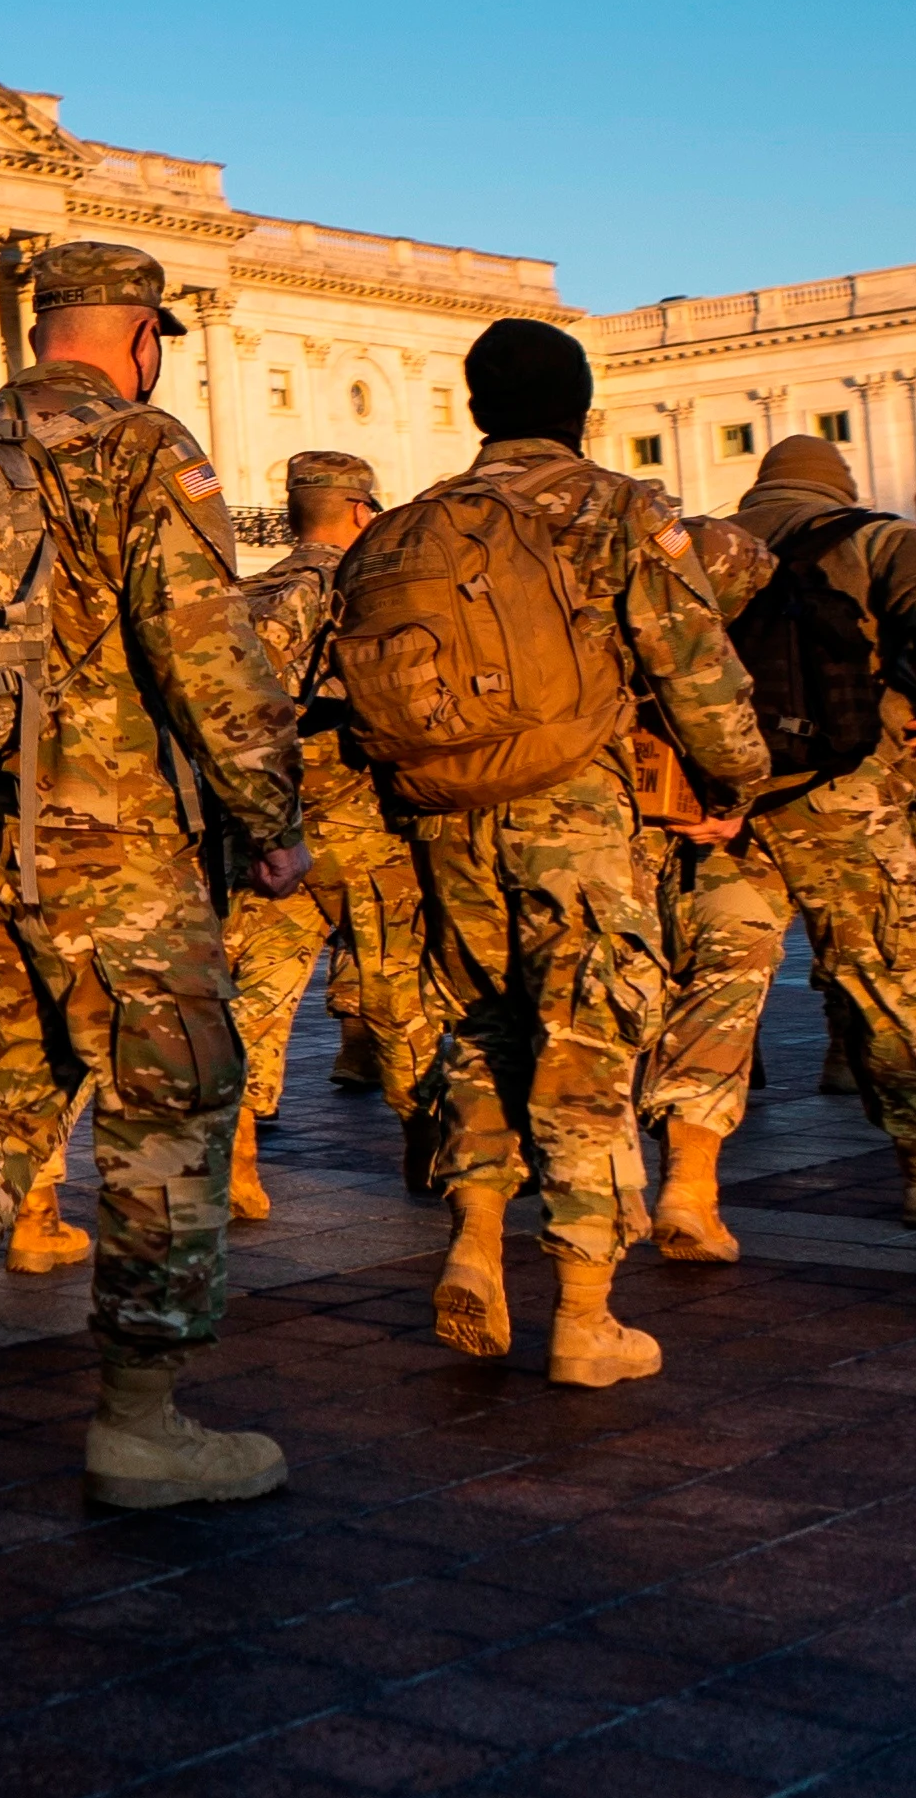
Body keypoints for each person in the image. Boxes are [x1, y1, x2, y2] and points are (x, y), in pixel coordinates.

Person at [0, 242, 303, 1511]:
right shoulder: (136, 449)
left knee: (1, 1085)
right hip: (111, 844)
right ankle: (142, 1419)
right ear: (137, 335)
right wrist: (268, 814)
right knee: (172, 1105)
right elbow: (201, 645)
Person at [354, 318, 766, 1391]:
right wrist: (733, 784)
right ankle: (583, 1315)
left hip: (446, 814)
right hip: (573, 812)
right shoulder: (618, 508)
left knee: (481, 1026)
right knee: (585, 1042)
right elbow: (694, 667)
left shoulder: (410, 523)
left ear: (477, 410)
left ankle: (475, 1247)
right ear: (578, 410)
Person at [717, 435, 916, 1229]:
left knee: (716, 985)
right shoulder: (877, 537)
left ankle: (687, 1186)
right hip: (847, 795)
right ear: (837, 486)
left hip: (723, 804)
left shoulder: (701, 545)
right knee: (885, 979)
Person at [219, 453, 428, 1222]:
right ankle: (423, 1144)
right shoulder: (366, 590)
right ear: (361, 510)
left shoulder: (242, 593)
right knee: (399, 990)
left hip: (272, 827)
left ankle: (240, 1164)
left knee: (257, 997)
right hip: (369, 826)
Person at [621, 509, 792, 1259]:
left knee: (589, 1007)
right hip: (702, 837)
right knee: (729, 969)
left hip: (574, 840)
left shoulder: (580, 611)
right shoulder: (693, 623)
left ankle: (585, 1204)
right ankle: (690, 1184)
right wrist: (735, 800)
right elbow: (725, 733)